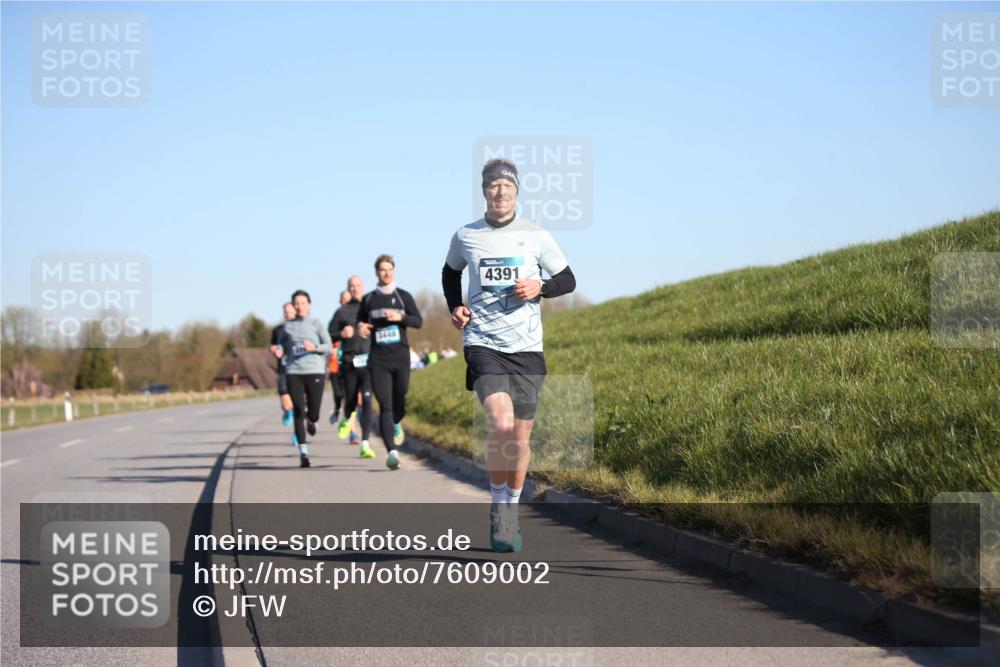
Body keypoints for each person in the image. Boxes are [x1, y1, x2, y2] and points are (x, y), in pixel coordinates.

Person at [442, 158, 576, 552]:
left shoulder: (536, 235)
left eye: (507, 187)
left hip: (528, 349)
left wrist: (541, 288)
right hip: (483, 342)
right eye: (493, 186)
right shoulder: (466, 235)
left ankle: (510, 508)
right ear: (484, 191)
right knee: (499, 424)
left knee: (518, 439)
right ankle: (499, 511)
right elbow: (450, 273)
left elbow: (568, 279)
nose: (500, 192)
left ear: (517, 192)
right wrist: (456, 306)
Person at [357, 255, 423, 470]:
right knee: (385, 406)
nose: (386, 273)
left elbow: (418, 321)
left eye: (389, 269)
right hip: (378, 359)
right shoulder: (368, 300)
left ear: (394, 271)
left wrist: (400, 318)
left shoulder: (403, 296)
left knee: (399, 401)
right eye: (382, 270)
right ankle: (391, 452)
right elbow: (361, 325)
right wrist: (363, 329)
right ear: (376, 273)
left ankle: (397, 422)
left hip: (400, 357)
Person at [274, 289, 332, 468]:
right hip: (294, 372)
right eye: (296, 303)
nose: (299, 306)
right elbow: (281, 343)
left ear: (309, 305)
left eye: (303, 303)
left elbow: (328, 346)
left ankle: (312, 420)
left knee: (313, 413)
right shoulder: (287, 326)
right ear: (293, 306)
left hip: (314, 371)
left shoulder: (316, 323)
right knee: (298, 410)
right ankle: (303, 452)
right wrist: (279, 350)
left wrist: (313, 347)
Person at [329, 275, 375, 458]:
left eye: (358, 285)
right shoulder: (342, 311)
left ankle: (365, 443)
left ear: (363, 287)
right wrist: (340, 333)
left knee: (367, 400)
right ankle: (347, 417)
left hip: (369, 361)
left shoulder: (371, 307)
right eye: (352, 286)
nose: (355, 288)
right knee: (351, 401)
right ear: (348, 288)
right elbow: (329, 335)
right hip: (349, 363)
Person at [269, 302, 296, 435]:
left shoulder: (301, 329)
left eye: (290, 312)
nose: (288, 314)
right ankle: (287, 411)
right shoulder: (277, 330)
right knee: (286, 404)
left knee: (299, 404)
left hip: (298, 369)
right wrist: (274, 349)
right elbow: (273, 346)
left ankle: (298, 434)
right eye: (286, 312)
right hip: (283, 370)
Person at [328, 290, 351, 424]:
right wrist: (332, 349)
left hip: (350, 365)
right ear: (340, 301)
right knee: (338, 394)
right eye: (344, 300)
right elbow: (327, 338)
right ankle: (337, 409)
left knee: (351, 398)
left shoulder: (357, 316)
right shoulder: (336, 317)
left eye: (348, 299)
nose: (346, 302)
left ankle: (353, 431)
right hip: (335, 365)